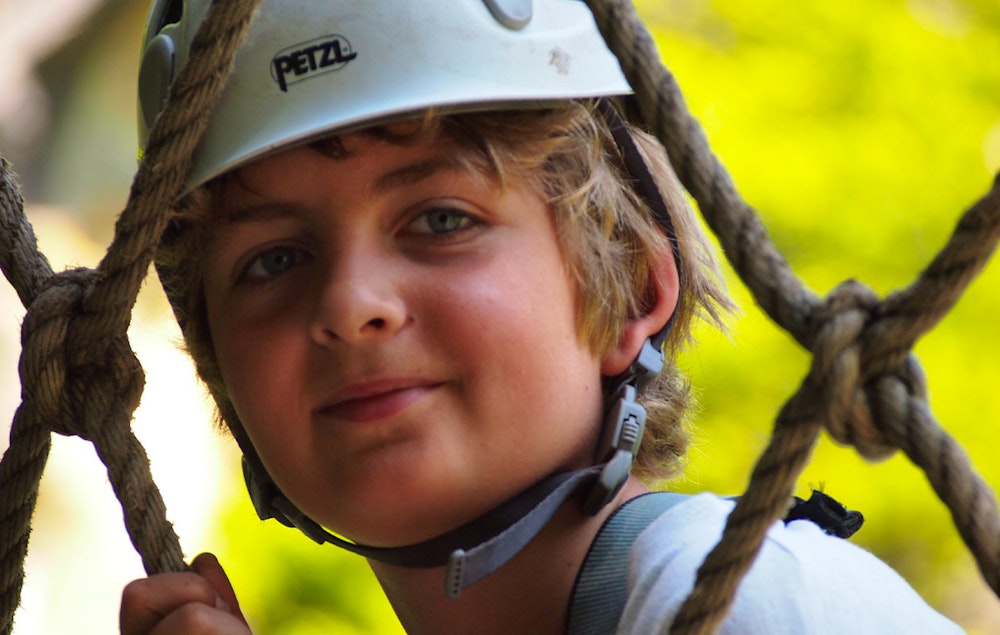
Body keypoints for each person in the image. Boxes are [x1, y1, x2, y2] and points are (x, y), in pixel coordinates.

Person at [121, 0, 964, 633]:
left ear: (630, 287)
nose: (349, 306)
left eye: (442, 220)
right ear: (222, 372)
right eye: (273, 261)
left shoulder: (737, 595)